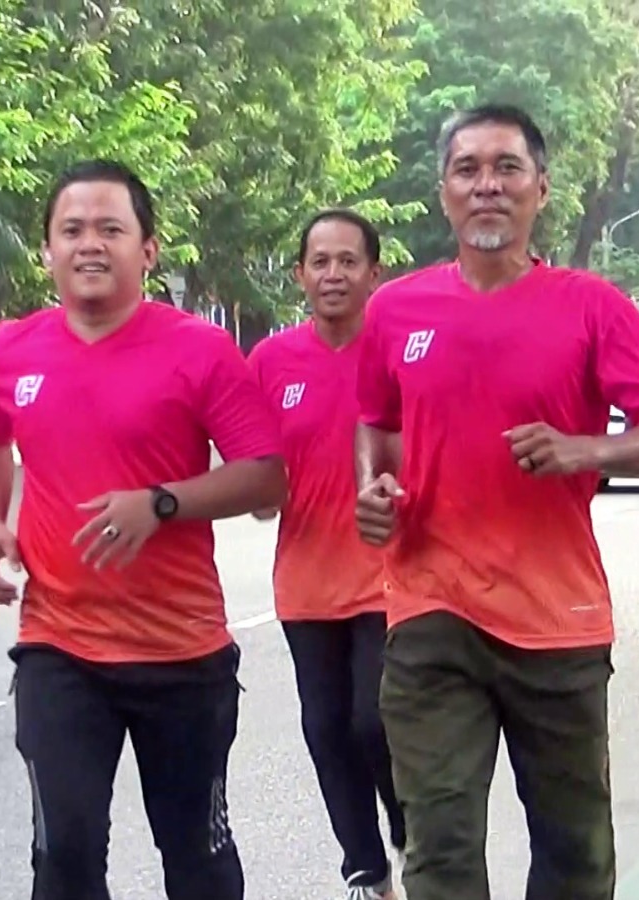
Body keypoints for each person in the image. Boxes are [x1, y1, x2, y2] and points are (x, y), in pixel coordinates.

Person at [353, 103, 639, 900]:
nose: (487, 186)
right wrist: (371, 489)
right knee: (438, 850)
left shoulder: (590, 305)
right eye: (467, 170)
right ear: (444, 192)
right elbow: (374, 422)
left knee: (575, 854)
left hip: (558, 620)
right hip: (429, 610)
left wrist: (590, 450)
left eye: (506, 169)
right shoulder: (396, 310)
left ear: (540, 189)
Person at [0, 159, 287, 900]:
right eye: (71, 230)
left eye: (111, 228)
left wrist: (161, 503)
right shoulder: (10, 349)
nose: (90, 245)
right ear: (47, 251)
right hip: (59, 649)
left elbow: (266, 473)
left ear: (148, 250)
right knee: (64, 852)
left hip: (182, 654)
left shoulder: (199, 350)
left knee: (196, 858)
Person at [247, 209, 405, 900]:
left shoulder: (400, 350)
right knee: (324, 729)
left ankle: (412, 834)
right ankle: (367, 872)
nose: (333, 274)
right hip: (306, 581)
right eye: (321, 262)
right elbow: (256, 472)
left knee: (375, 720)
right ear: (300, 275)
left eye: (348, 261)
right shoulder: (270, 362)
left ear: (375, 273)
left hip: (391, 575)